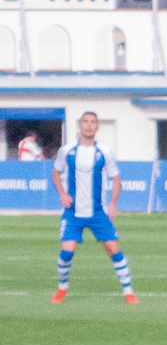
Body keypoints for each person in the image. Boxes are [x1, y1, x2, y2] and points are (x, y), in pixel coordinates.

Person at [50, 112, 136, 305]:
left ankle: (128, 291)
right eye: (85, 122)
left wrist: (113, 204)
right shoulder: (67, 150)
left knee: (113, 248)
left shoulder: (104, 152)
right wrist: (62, 194)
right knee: (67, 252)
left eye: (93, 122)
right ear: (80, 126)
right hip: (72, 212)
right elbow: (55, 172)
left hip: (97, 212)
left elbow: (116, 178)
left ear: (97, 127)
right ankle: (62, 288)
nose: (89, 125)